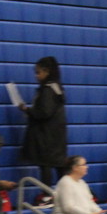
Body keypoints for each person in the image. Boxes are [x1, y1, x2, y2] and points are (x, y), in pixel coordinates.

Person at [19, 56, 67, 184]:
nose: (36, 76)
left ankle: (46, 192)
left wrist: (27, 110)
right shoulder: (57, 88)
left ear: (47, 71)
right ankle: (63, 191)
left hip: (46, 136)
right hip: (57, 135)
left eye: (38, 72)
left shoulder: (47, 90)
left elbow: (44, 112)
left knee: (45, 165)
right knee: (59, 165)